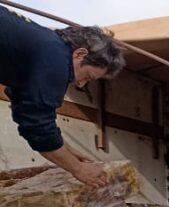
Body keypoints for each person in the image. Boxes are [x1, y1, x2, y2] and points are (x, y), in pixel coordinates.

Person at [0, 6, 126, 188]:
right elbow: (37, 123)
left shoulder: (43, 47)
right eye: (87, 76)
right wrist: (78, 169)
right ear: (80, 54)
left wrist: (64, 148)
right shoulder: (56, 56)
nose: (81, 84)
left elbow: (26, 106)